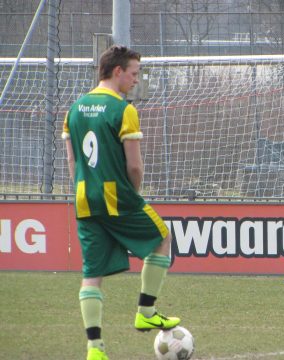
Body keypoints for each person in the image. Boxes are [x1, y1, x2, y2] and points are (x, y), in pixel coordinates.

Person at [62, 45, 180, 360]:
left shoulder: (74, 109)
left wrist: (83, 189)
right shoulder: (123, 109)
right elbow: (135, 167)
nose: (135, 80)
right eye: (133, 73)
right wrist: (134, 195)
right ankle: (146, 310)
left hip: (84, 198)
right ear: (117, 72)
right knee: (163, 238)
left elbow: (73, 162)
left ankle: (95, 348)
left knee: (92, 274)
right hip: (118, 197)